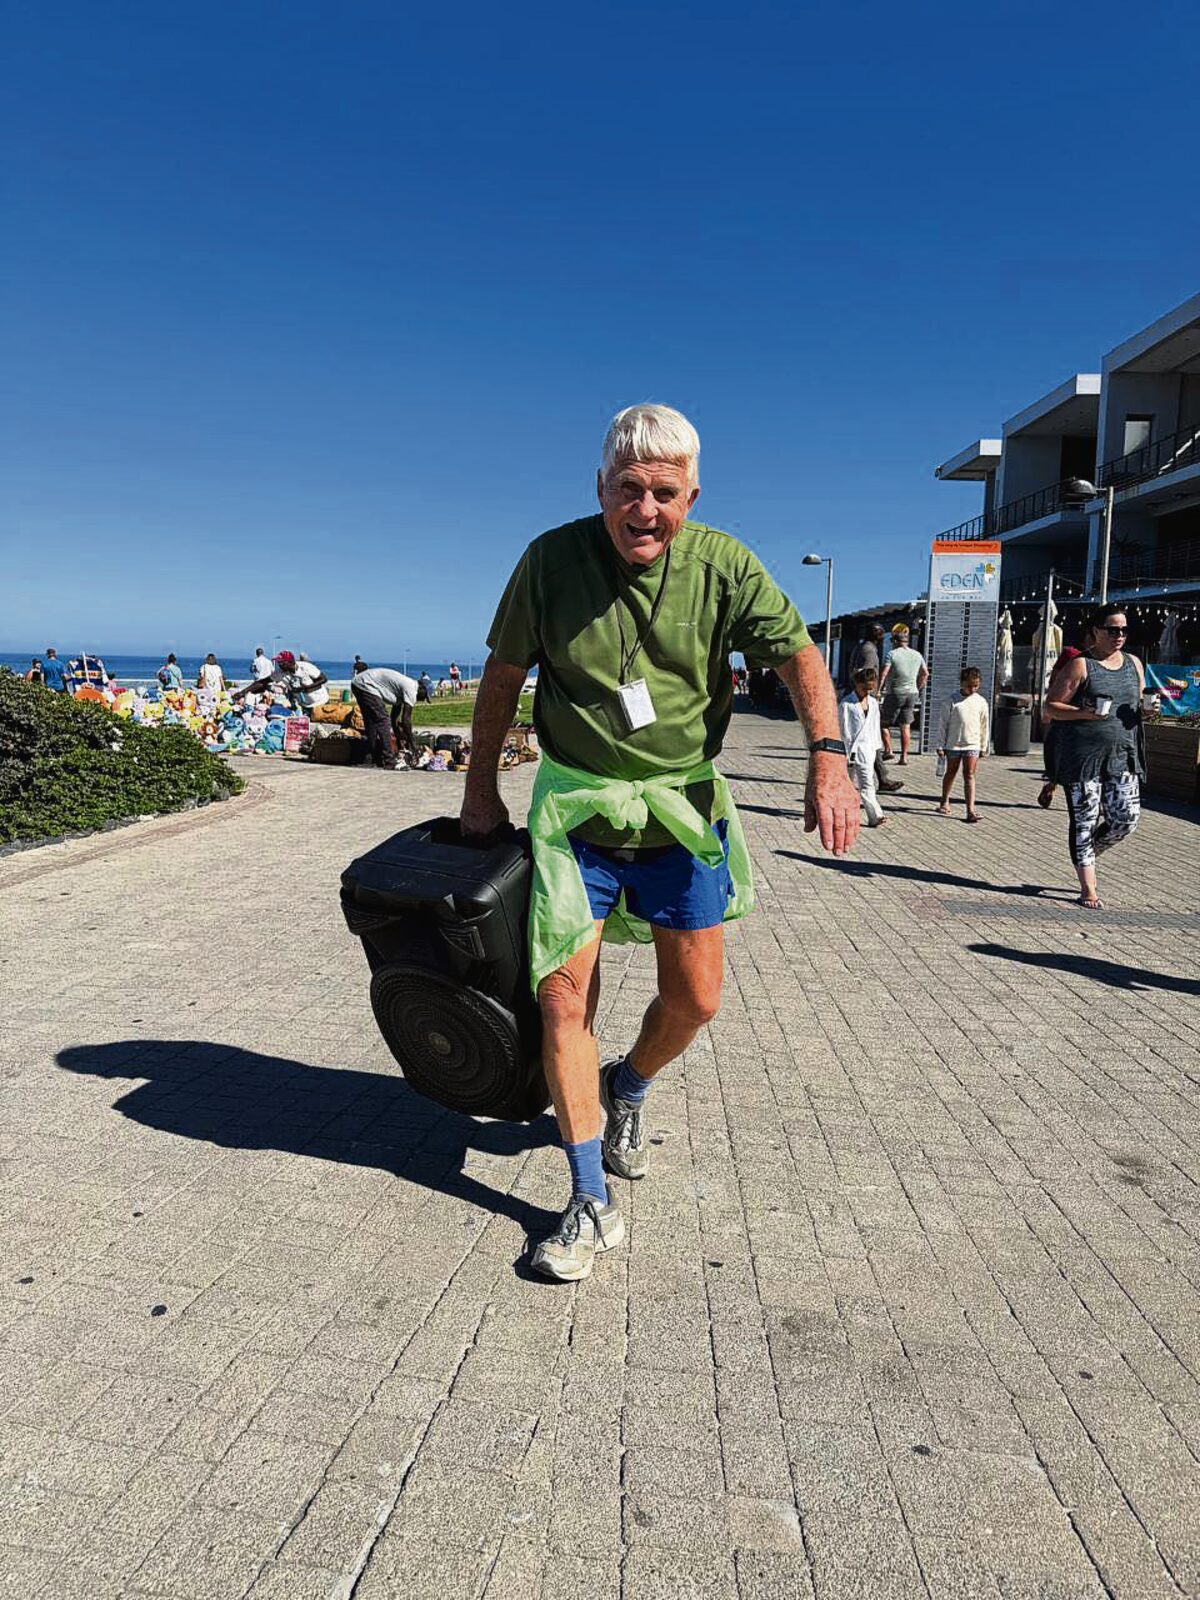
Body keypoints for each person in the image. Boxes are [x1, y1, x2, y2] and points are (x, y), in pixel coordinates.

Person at [460, 403, 860, 1282]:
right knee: (564, 1002)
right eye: (629, 491)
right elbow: (501, 674)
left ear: (692, 495)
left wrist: (828, 761)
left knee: (698, 999)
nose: (646, 511)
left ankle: (628, 1084)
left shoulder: (723, 565)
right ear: (600, 490)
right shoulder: (550, 559)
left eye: (665, 493)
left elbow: (799, 656)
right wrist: (480, 784)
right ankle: (588, 1198)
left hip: (681, 812)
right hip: (576, 816)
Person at [1042, 606, 1144, 910]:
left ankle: (1086, 853)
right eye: (1113, 630)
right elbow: (1051, 707)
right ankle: (1088, 887)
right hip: (1083, 758)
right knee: (1084, 821)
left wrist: (1147, 711)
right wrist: (1086, 713)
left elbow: (1136, 704)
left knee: (1126, 819)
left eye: (1124, 630)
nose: (1120, 636)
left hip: (1122, 755)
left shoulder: (1134, 664)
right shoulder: (1080, 666)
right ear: (1096, 631)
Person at [936, 666, 989, 823]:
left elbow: (984, 725)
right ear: (962, 683)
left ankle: (970, 810)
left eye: (976, 685)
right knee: (951, 772)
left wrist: (983, 746)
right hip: (953, 744)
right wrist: (940, 744)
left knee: (970, 775)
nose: (972, 689)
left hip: (972, 744)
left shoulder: (981, 702)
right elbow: (943, 724)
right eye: (969, 685)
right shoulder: (952, 701)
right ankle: (944, 800)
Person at [839, 666, 885, 827]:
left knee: (867, 782)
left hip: (868, 749)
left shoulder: (873, 703)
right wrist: (843, 751)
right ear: (856, 684)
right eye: (865, 688)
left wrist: (876, 747)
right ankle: (842, 813)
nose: (867, 691)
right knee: (847, 785)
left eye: (870, 689)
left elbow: (875, 727)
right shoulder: (846, 704)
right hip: (850, 749)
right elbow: (843, 730)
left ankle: (875, 815)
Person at [1037, 644, 1082, 808]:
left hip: (1082, 719)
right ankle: (1051, 785)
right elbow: (1053, 680)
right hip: (1061, 717)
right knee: (1056, 759)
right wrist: (1049, 712)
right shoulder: (1071, 654)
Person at [878, 624, 928, 766]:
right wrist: (918, 687)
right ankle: (904, 756)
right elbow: (925, 673)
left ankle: (889, 750)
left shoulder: (892, 654)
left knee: (883, 723)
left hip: (895, 692)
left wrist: (879, 689)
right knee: (905, 726)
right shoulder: (917, 655)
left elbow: (884, 672)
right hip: (912, 693)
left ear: (894, 641)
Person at [350, 666, 419, 766]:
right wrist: (413, 744)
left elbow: (394, 719)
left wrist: (399, 740)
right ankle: (389, 759)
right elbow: (406, 720)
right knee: (383, 721)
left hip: (357, 683)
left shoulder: (401, 690)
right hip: (366, 685)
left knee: (371, 723)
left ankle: (369, 759)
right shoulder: (411, 689)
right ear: (421, 690)